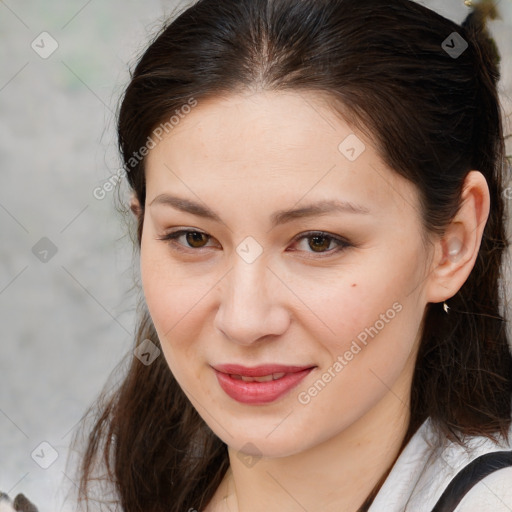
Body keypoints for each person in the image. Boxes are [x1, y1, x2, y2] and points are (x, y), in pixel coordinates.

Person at [69, 0, 512, 510]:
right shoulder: (133, 483)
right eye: (193, 237)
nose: (244, 319)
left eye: (318, 241)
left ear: (452, 243)